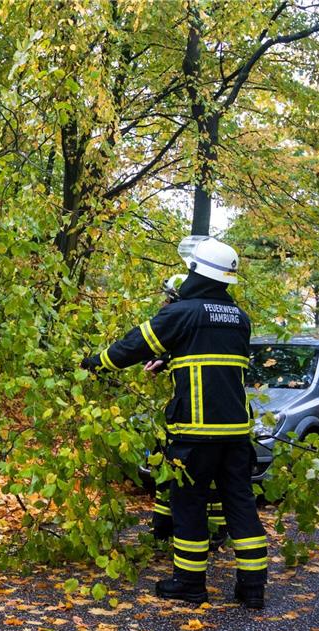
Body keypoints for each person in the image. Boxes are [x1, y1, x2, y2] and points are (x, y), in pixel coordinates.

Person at [81, 238, 267, 609]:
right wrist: (170, 359)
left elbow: (134, 345)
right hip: (235, 432)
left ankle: (189, 584)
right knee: (241, 505)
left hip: (195, 433)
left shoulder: (183, 312)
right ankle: (252, 589)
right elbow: (212, 356)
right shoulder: (239, 319)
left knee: (189, 505)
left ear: (197, 271)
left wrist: (95, 363)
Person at [149, 273, 228, 550]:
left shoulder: (184, 315)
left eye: (167, 298)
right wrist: (165, 359)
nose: (163, 302)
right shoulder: (215, 318)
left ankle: (184, 533)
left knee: (186, 483)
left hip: (196, 420)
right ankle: (173, 528)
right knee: (199, 479)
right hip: (221, 414)